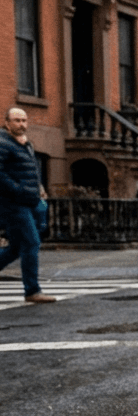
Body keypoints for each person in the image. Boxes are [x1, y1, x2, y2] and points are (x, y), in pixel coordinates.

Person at [0, 107, 55, 303]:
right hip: (12, 204)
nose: (22, 124)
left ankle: (32, 289)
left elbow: (30, 170)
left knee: (16, 247)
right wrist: (19, 189)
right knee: (31, 242)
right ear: (7, 123)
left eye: (24, 120)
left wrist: (38, 187)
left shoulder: (26, 144)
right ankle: (32, 290)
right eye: (17, 120)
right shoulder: (3, 143)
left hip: (28, 201)